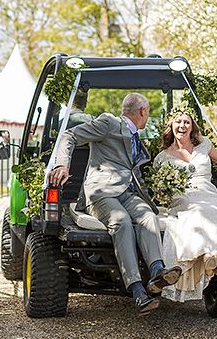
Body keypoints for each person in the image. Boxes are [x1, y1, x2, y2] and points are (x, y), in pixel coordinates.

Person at [49, 93, 182, 315]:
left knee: (148, 216)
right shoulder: (108, 122)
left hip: (127, 192)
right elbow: (69, 136)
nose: (147, 117)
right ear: (142, 112)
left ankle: (158, 272)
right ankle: (137, 290)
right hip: (101, 192)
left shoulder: (135, 135)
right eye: (148, 113)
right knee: (121, 221)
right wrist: (62, 164)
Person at [154, 111, 217, 302]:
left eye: (187, 122)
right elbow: (159, 191)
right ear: (172, 126)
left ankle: (214, 254)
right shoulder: (162, 157)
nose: (182, 125)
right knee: (195, 210)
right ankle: (212, 255)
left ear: (192, 127)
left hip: (207, 191)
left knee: (214, 207)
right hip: (182, 196)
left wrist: (202, 138)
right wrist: (165, 191)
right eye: (178, 122)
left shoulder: (204, 145)